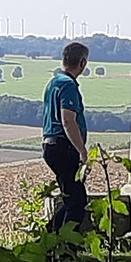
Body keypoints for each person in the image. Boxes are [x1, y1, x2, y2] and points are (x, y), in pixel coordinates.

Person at [42, 41, 90, 231]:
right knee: (78, 203)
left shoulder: (53, 83)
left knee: (71, 198)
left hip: (51, 145)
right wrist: (82, 151)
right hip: (64, 148)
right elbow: (68, 121)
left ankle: (50, 240)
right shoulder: (68, 85)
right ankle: (65, 248)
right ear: (83, 63)